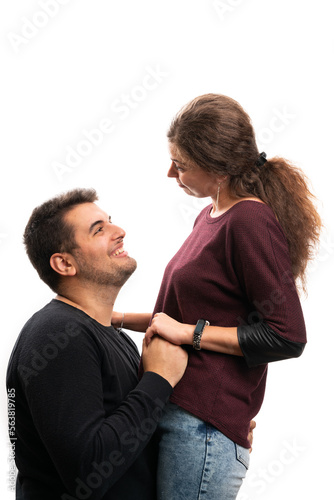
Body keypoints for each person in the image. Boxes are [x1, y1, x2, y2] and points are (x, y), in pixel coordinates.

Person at [111, 94, 322, 499]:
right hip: (178, 414)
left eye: (182, 164)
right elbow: (168, 318)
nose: (171, 172)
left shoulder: (249, 220)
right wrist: (110, 318)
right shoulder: (208, 217)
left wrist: (189, 333)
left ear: (218, 168)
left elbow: (287, 335)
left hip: (203, 428)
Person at [6, 188, 189, 500]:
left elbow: (133, 441)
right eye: (99, 230)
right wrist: (159, 379)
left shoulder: (113, 336)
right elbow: (88, 471)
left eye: (110, 222)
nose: (119, 232)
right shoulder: (57, 335)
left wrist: (206, 430)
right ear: (64, 264)